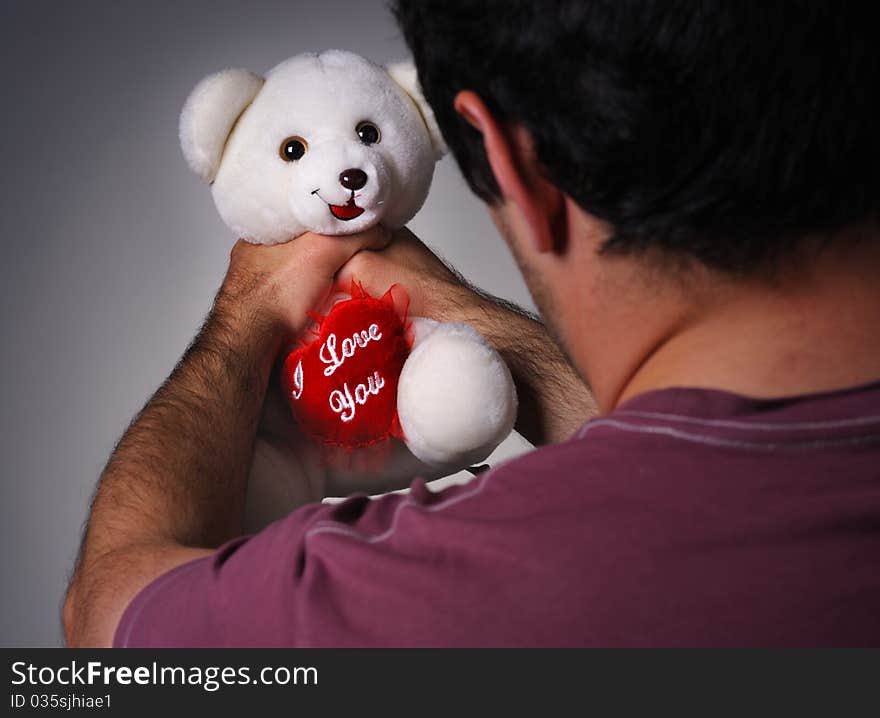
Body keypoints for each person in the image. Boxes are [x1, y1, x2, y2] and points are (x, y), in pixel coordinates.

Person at [64, 0, 880, 647]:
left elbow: (106, 635)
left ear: (509, 163)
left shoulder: (427, 593)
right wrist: (474, 325)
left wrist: (251, 310)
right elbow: (699, 475)